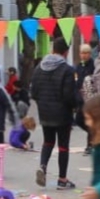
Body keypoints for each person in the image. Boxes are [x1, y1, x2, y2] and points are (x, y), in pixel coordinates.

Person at [30, 37, 78, 190]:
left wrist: (42, 104)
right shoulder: (68, 70)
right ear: (65, 52)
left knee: (48, 142)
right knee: (63, 146)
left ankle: (43, 167)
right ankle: (62, 179)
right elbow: (69, 95)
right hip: (62, 113)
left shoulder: (39, 68)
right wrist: (77, 106)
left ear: (52, 50)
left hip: (44, 112)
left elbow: (33, 92)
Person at [74, 44, 95, 155]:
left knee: (90, 122)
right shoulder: (78, 66)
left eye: (86, 53)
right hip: (80, 99)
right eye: (82, 53)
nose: (84, 55)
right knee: (79, 120)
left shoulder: (93, 65)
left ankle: (90, 145)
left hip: (90, 99)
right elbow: (77, 82)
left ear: (90, 54)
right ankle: (95, 136)